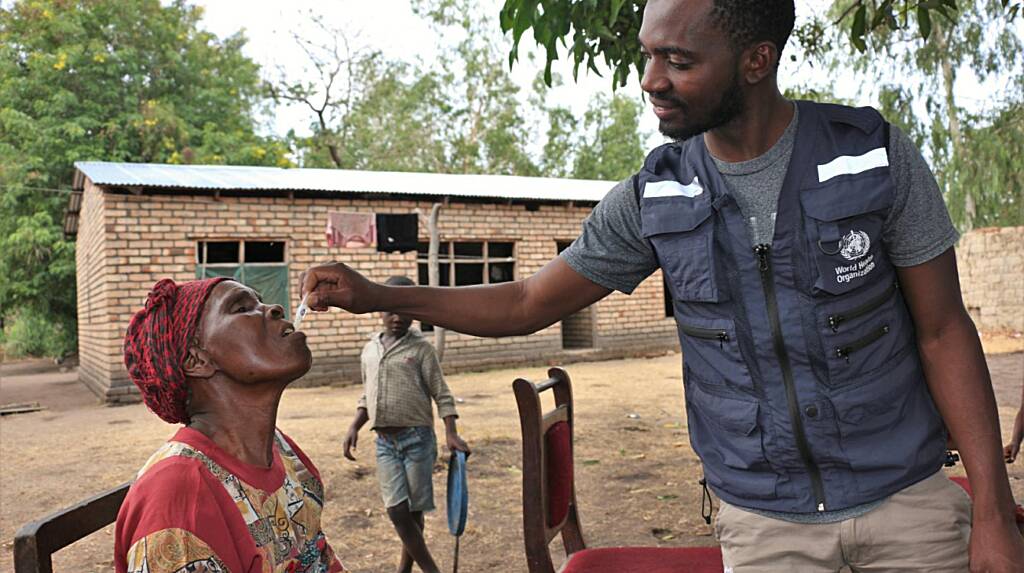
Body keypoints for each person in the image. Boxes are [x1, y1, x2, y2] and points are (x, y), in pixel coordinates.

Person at [298, 0, 1024, 570]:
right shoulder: (655, 197)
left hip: (908, 503)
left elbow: (943, 329)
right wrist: (381, 294)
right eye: (649, 54)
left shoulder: (872, 159)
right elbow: (525, 303)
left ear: (755, 60)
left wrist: (991, 506)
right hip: (765, 524)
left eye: (677, 60)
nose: (650, 80)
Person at [115, 277, 347, 573]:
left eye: (260, 301)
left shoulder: (280, 449)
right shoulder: (179, 501)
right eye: (241, 308)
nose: (274, 308)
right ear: (196, 360)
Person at [342, 275, 469, 573]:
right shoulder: (370, 349)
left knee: (412, 511)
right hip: (384, 442)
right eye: (391, 311)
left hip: (417, 440)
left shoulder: (422, 349)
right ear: (380, 310)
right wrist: (354, 426)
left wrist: (451, 432)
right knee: (396, 509)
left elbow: (442, 393)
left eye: (405, 311)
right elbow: (367, 393)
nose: (398, 318)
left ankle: (404, 569)